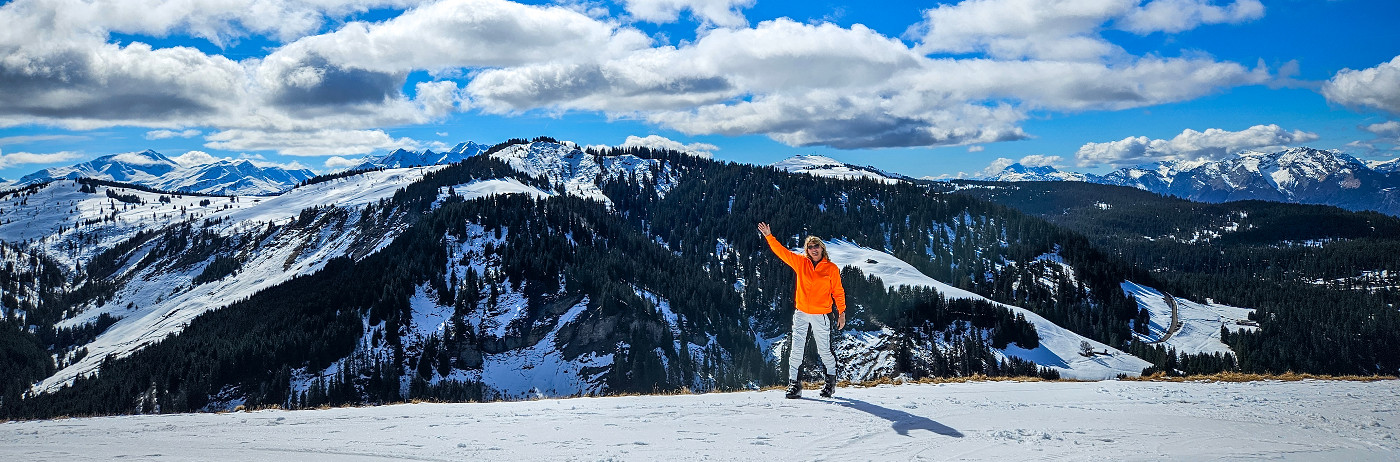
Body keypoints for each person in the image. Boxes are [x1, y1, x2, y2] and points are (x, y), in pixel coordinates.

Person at [757, 222, 846, 399]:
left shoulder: (831, 269)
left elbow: (838, 291)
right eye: (810, 247)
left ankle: (830, 384)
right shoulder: (801, 263)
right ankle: (794, 385)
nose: (814, 249)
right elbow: (782, 252)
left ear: (822, 248)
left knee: (824, 350)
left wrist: (841, 312)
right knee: (796, 349)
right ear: (807, 250)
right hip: (801, 313)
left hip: (821, 315)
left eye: (816, 246)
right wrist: (769, 236)